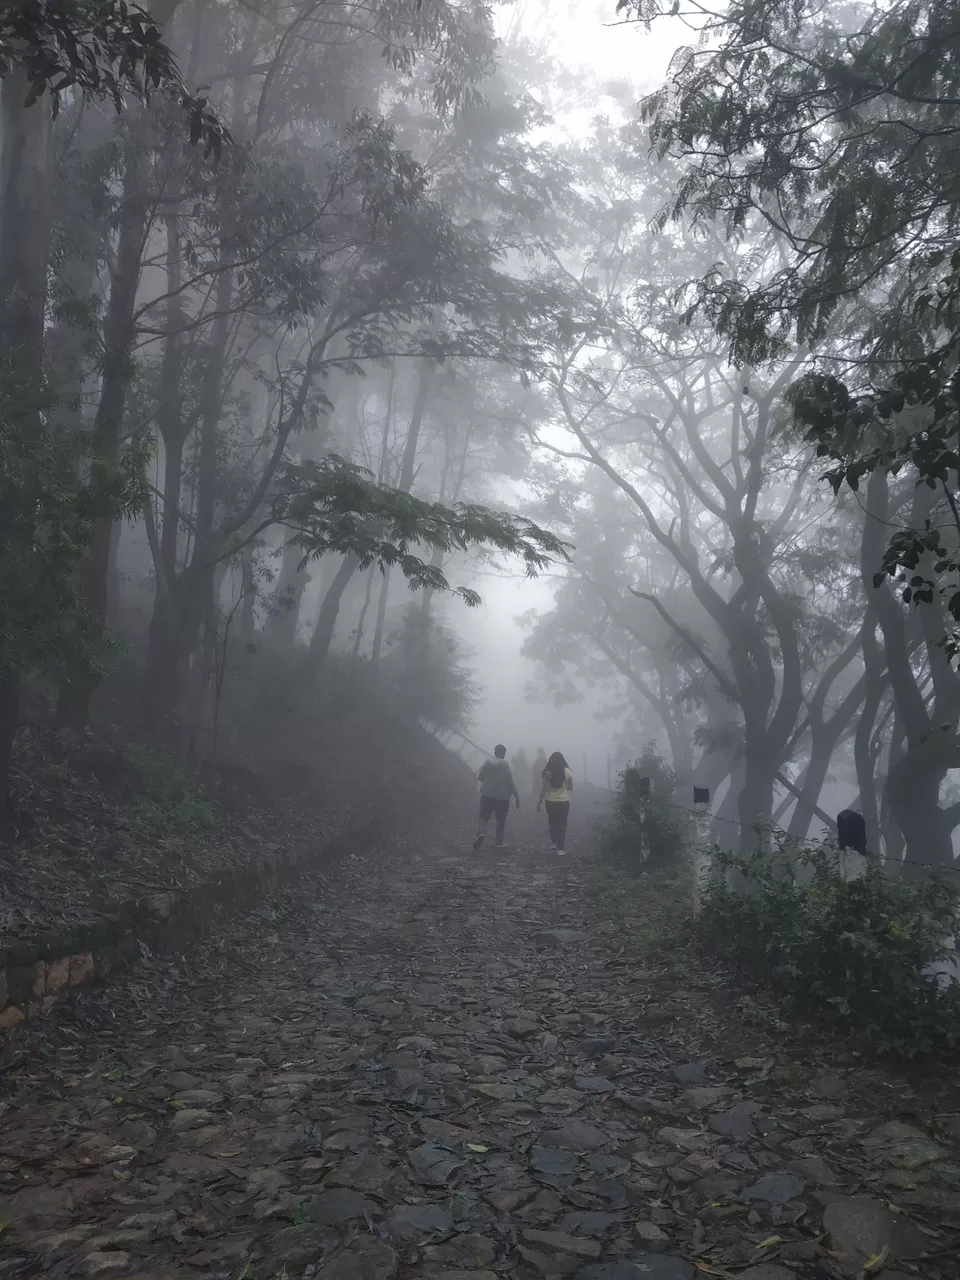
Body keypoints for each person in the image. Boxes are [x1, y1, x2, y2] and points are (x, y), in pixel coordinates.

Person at [474, 744, 520, 850]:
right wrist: (517, 796)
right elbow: (510, 782)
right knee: (500, 820)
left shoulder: (487, 762)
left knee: (483, 817)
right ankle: (498, 842)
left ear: (495, 752)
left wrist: (489, 781)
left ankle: (481, 833)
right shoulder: (506, 765)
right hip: (503, 798)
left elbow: (481, 777)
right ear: (503, 754)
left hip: (487, 795)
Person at [537, 751, 573, 855]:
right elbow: (570, 788)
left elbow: (543, 789)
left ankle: (553, 843)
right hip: (563, 802)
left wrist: (539, 801)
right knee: (562, 824)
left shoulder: (548, 772)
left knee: (552, 822)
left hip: (550, 801)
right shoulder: (567, 772)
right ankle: (561, 848)